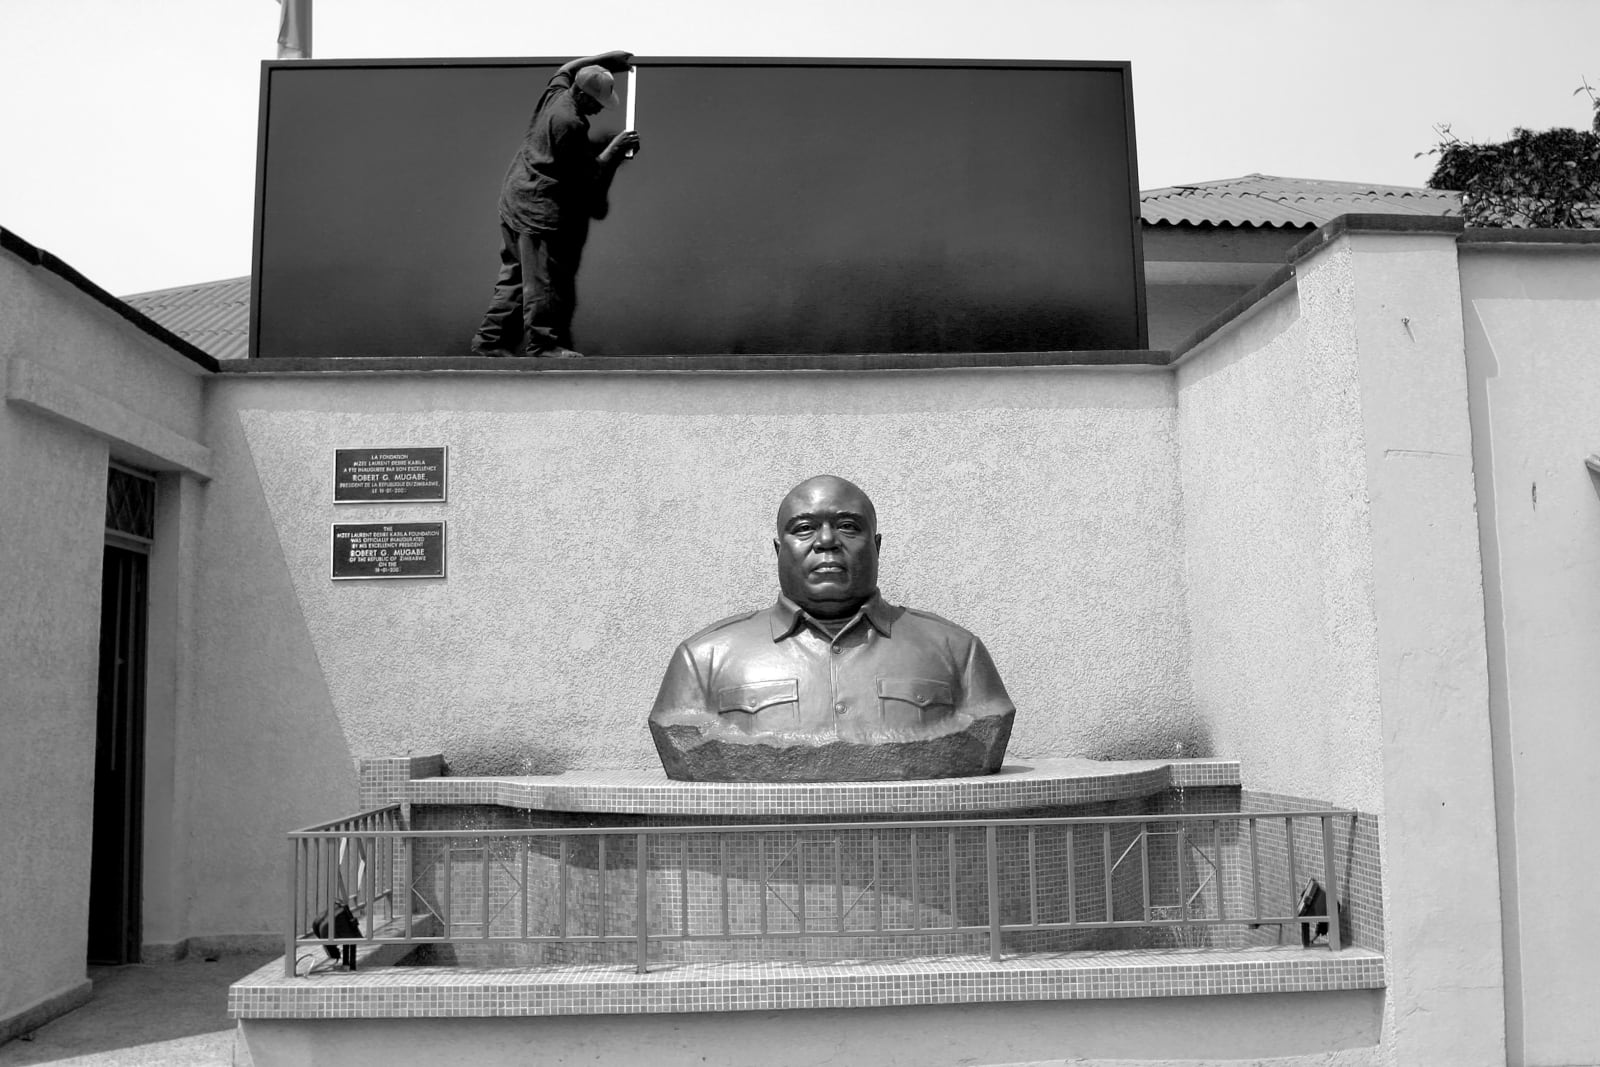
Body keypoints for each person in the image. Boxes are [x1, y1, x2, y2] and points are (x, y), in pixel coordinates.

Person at [649, 476, 1016, 781]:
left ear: (876, 546)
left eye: (847, 527)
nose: (826, 542)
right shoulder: (703, 660)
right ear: (779, 550)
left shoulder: (957, 651)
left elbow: (986, 728)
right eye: (805, 528)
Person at [471, 51, 641, 359]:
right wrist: (616, 150)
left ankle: (489, 341)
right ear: (580, 93)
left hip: (514, 196)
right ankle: (542, 345)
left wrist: (606, 59)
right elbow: (590, 176)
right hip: (535, 209)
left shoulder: (556, 94)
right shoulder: (570, 123)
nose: (599, 111)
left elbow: (565, 68)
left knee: (513, 277)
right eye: (596, 103)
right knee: (541, 282)